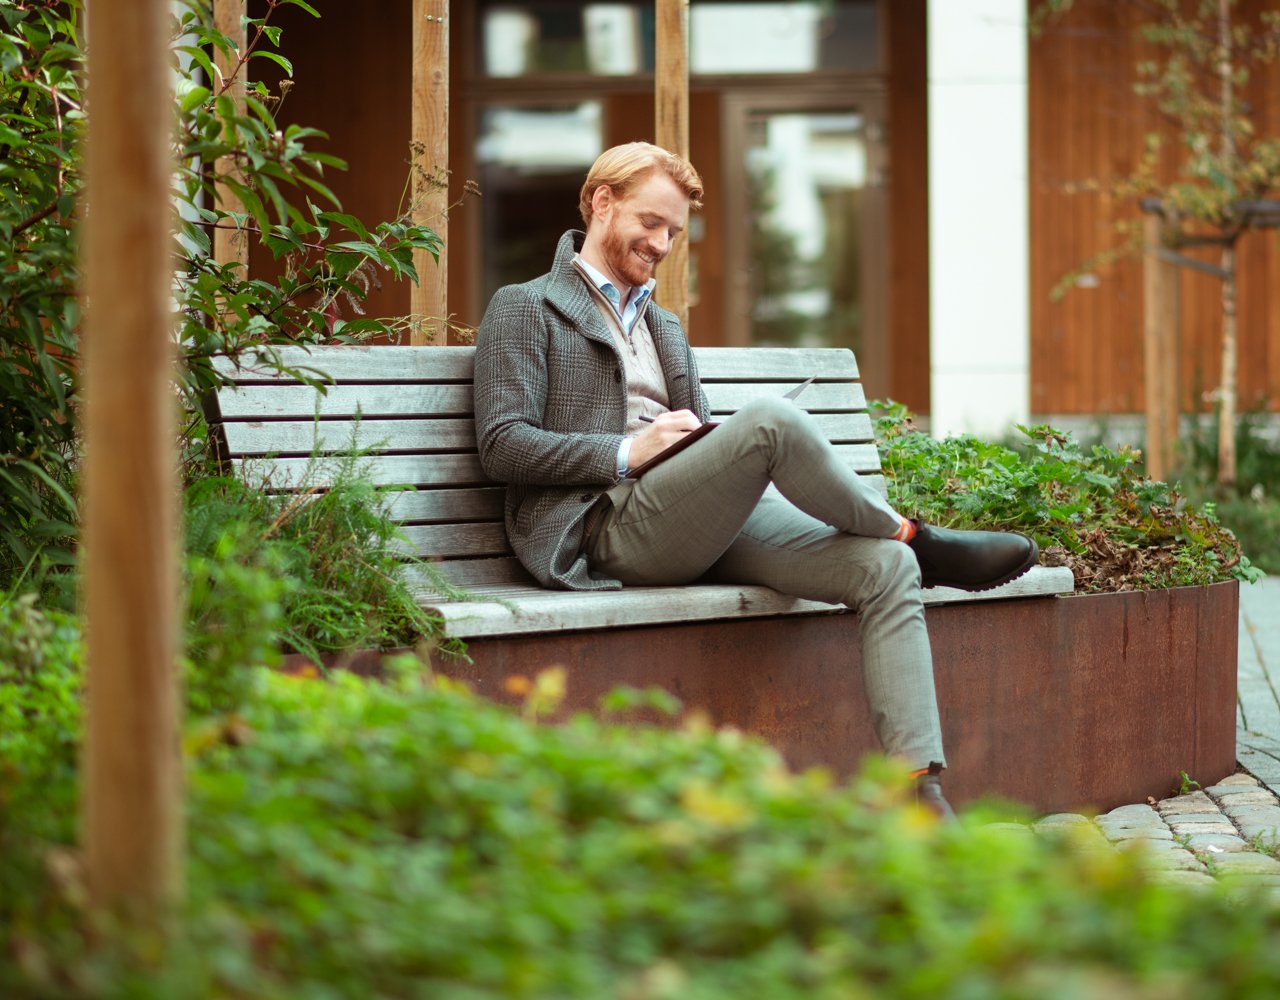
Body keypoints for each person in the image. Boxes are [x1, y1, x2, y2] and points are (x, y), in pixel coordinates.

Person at [473, 141, 1038, 819]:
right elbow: (503, 446)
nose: (661, 243)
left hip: (693, 519)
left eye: (673, 233)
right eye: (651, 223)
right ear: (602, 202)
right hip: (605, 522)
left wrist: (692, 450)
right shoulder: (525, 307)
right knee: (770, 420)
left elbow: (711, 442)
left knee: (885, 569)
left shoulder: (665, 325)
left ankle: (917, 790)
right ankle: (921, 537)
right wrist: (628, 449)